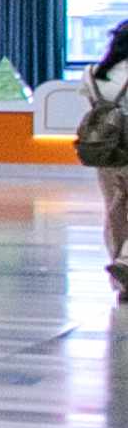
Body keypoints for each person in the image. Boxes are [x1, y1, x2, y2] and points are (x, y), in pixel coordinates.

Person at [79, 15, 128, 280]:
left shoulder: (92, 73)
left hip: (106, 151)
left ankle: (121, 278)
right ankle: (125, 262)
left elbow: (94, 107)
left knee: (114, 211)